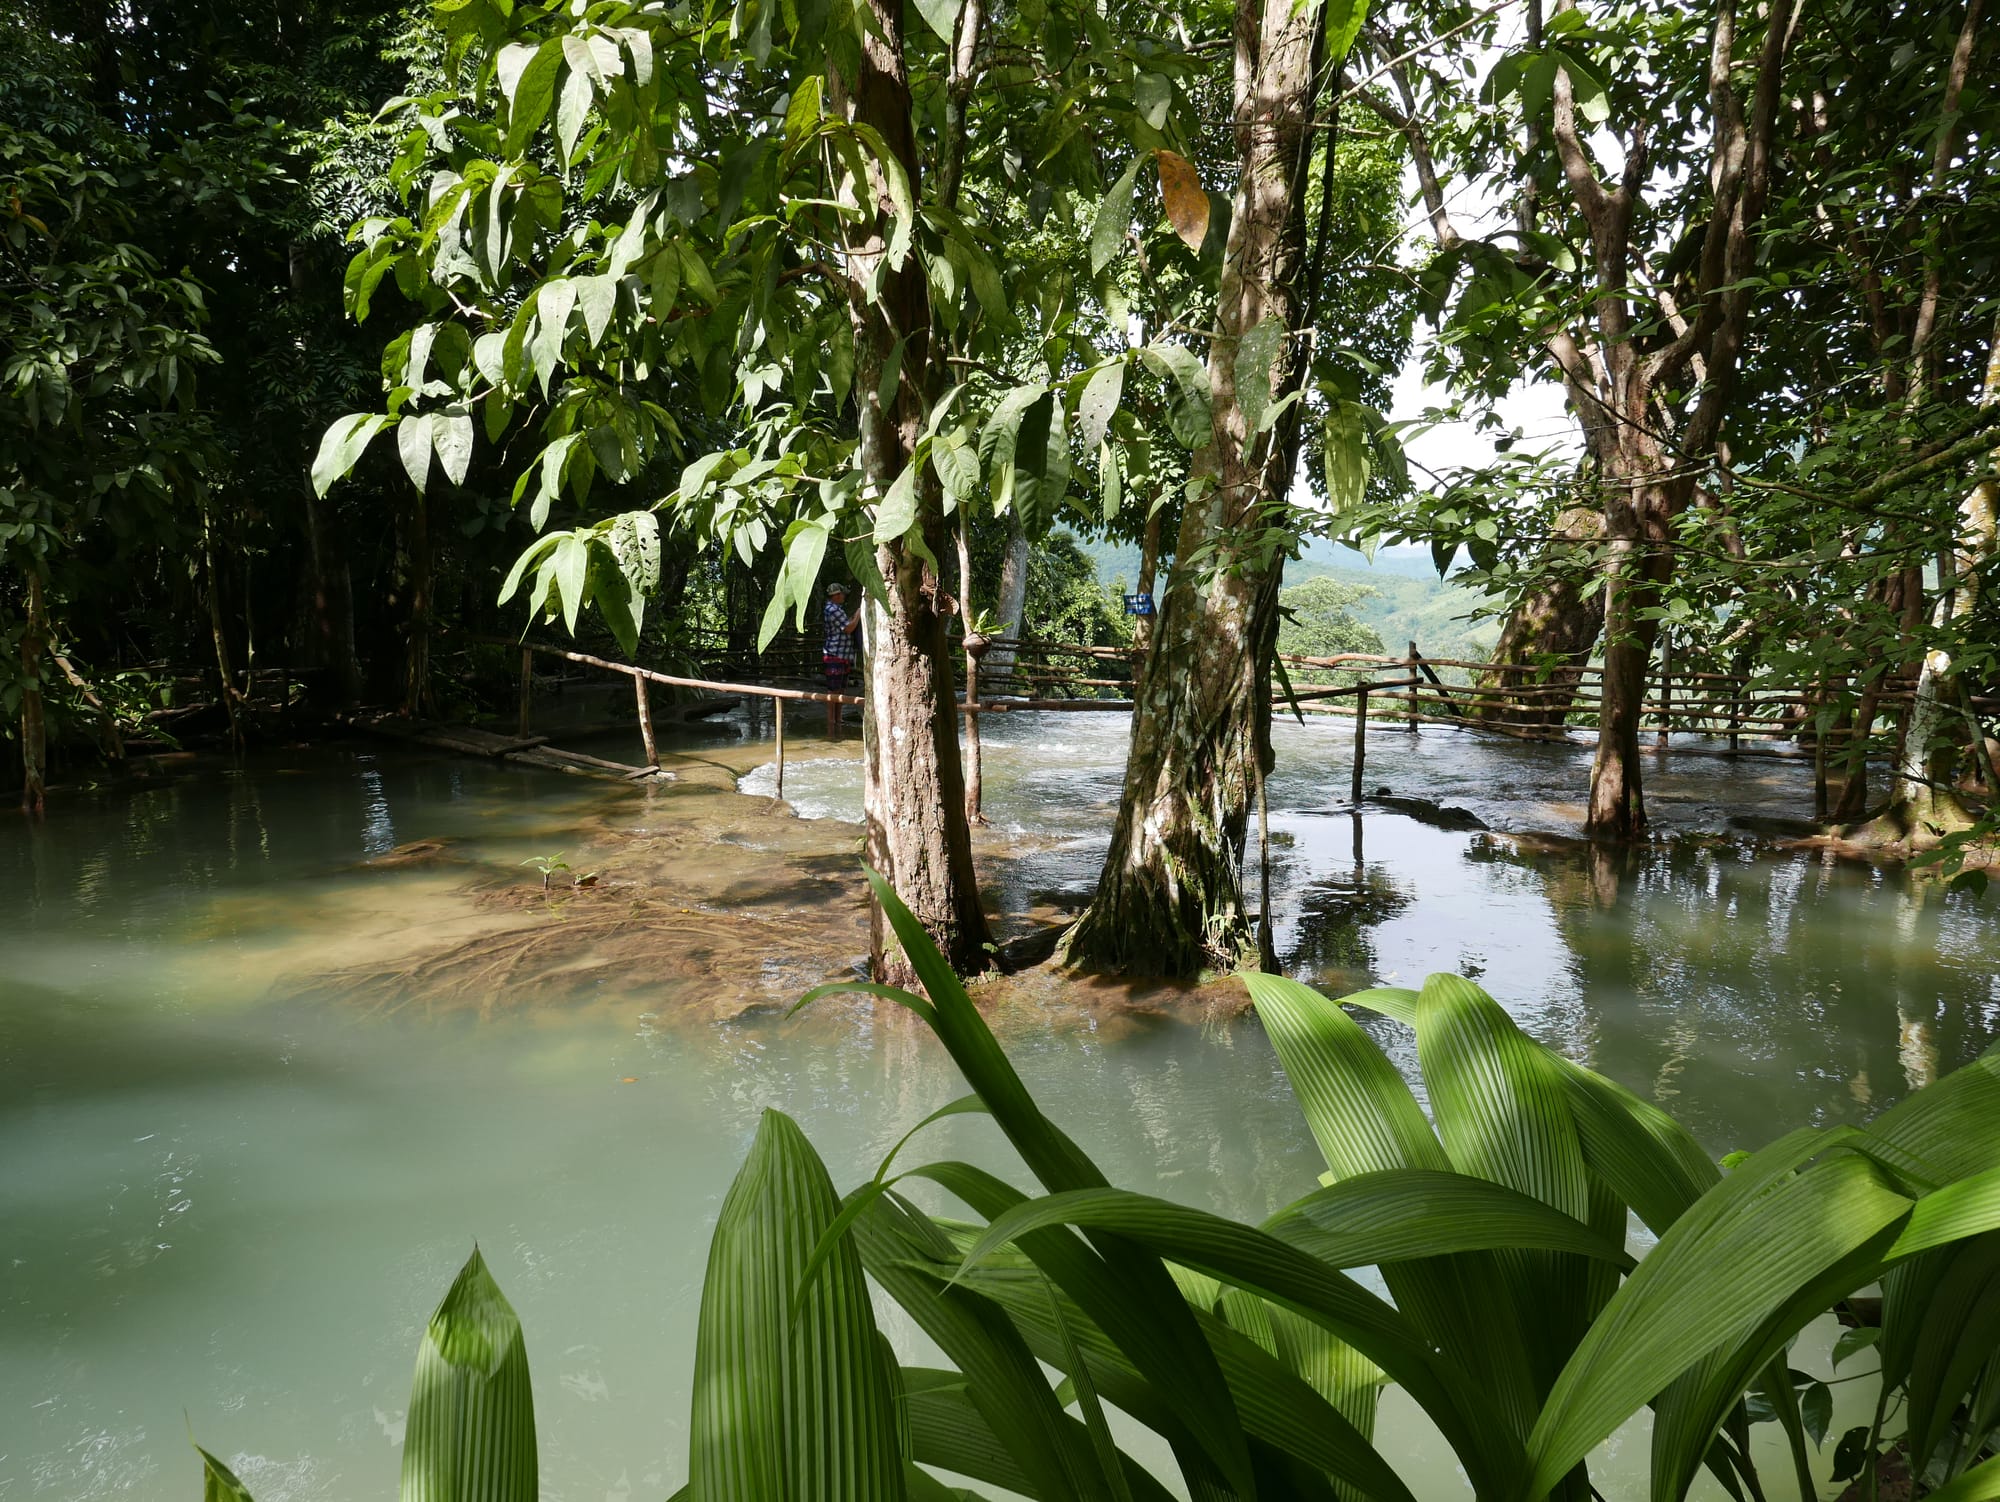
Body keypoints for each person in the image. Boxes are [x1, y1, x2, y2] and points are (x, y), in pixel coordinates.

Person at [821, 582, 860, 739]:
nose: (843, 596)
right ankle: (832, 722)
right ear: (836, 595)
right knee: (834, 690)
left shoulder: (837, 610)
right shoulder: (833, 610)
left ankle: (838, 720)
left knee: (841, 690)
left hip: (842, 654)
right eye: (842, 594)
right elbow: (848, 628)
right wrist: (858, 614)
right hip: (835, 654)